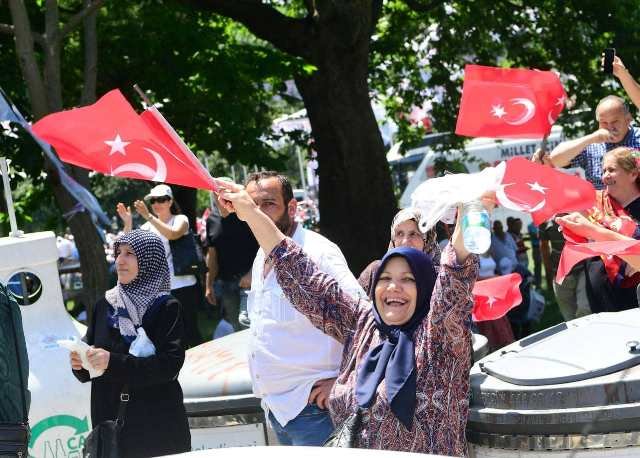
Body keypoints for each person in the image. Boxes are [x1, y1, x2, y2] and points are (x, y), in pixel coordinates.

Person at [216, 178, 480, 455]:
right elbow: (300, 271)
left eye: (408, 279)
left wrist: (470, 207)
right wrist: (250, 213)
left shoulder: (438, 337)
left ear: (427, 286)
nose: (393, 287)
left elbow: (455, 276)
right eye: (385, 277)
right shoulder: (363, 325)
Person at [243, 171, 365, 446]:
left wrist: (344, 381)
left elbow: (363, 319)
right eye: (252, 206)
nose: (258, 213)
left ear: (292, 208)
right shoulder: (261, 253)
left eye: (268, 204)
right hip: (277, 410)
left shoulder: (319, 252)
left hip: (314, 411)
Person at [70, 230, 190, 457]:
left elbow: (169, 365)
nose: (120, 260)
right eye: (118, 253)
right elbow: (92, 358)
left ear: (149, 261)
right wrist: (81, 363)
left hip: (156, 427)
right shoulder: (104, 305)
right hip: (111, 428)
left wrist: (111, 362)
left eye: (130, 254)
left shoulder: (166, 307)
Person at [117, 184, 202, 348]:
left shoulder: (180, 219)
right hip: (160, 290)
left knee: (191, 330)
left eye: (161, 199)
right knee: (171, 334)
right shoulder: (147, 227)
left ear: (170, 202)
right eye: (153, 200)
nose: (156, 203)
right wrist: (128, 223)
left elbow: (173, 233)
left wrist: (148, 216)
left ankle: (204, 366)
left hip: (184, 285)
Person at [556, 147, 640, 312]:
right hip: (599, 295)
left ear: (633, 174)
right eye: (604, 170)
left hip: (632, 296)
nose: (605, 175)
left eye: (612, 170)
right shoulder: (594, 201)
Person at [549, 95, 640, 189]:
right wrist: (592, 138)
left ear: (628, 119)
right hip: (601, 202)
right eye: (604, 122)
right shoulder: (592, 144)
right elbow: (555, 160)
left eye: (615, 121)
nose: (610, 127)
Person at [358, 207, 441, 296]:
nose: (405, 241)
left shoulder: (440, 279)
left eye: (413, 234)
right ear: (393, 240)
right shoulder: (376, 271)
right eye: (399, 234)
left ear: (428, 240)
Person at [205, 196, 258, 333]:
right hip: (226, 283)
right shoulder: (211, 219)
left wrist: (252, 273)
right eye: (217, 195)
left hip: (249, 281)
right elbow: (212, 254)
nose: (221, 199)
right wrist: (209, 284)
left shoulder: (246, 215)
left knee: (247, 321)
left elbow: (264, 246)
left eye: (225, 195)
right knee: (236, 327)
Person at [475, 250, 515, 352]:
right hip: (482, 296)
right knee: (491, 327)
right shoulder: (469, 252)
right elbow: (472, 277)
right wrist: (493, 279)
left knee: (502, 325)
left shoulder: (487, 248)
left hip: (494, 294)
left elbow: (493, 270)